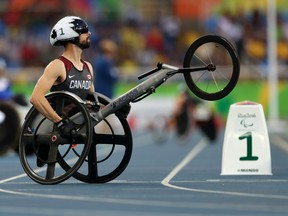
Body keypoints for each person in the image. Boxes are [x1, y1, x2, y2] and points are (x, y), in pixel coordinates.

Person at [29, 16, 94, 166]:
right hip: (54, 122)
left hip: (76, 120)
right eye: (83, 30)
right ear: (70, 35)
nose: (89, 33)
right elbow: (36, 98)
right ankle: (42, 147)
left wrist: (116, 108)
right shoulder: (57, 66)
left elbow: (91, 101)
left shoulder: (88, 67)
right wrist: (60, 123)